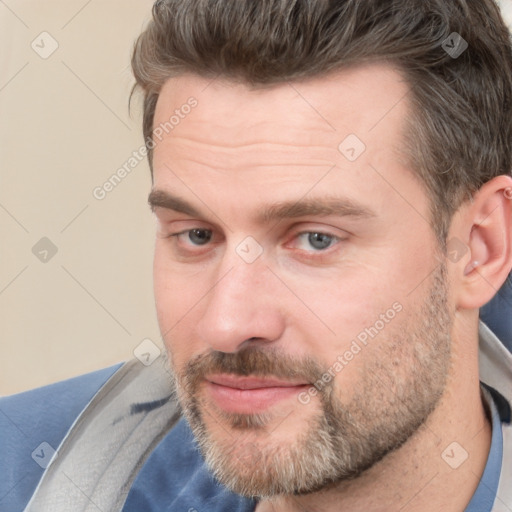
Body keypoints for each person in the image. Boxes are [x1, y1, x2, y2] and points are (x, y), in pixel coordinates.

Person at [1, 0, 512, 510]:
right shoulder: (29, 476)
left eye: (315, 239)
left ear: (480, 250)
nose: (227, 324)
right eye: (197, 235)